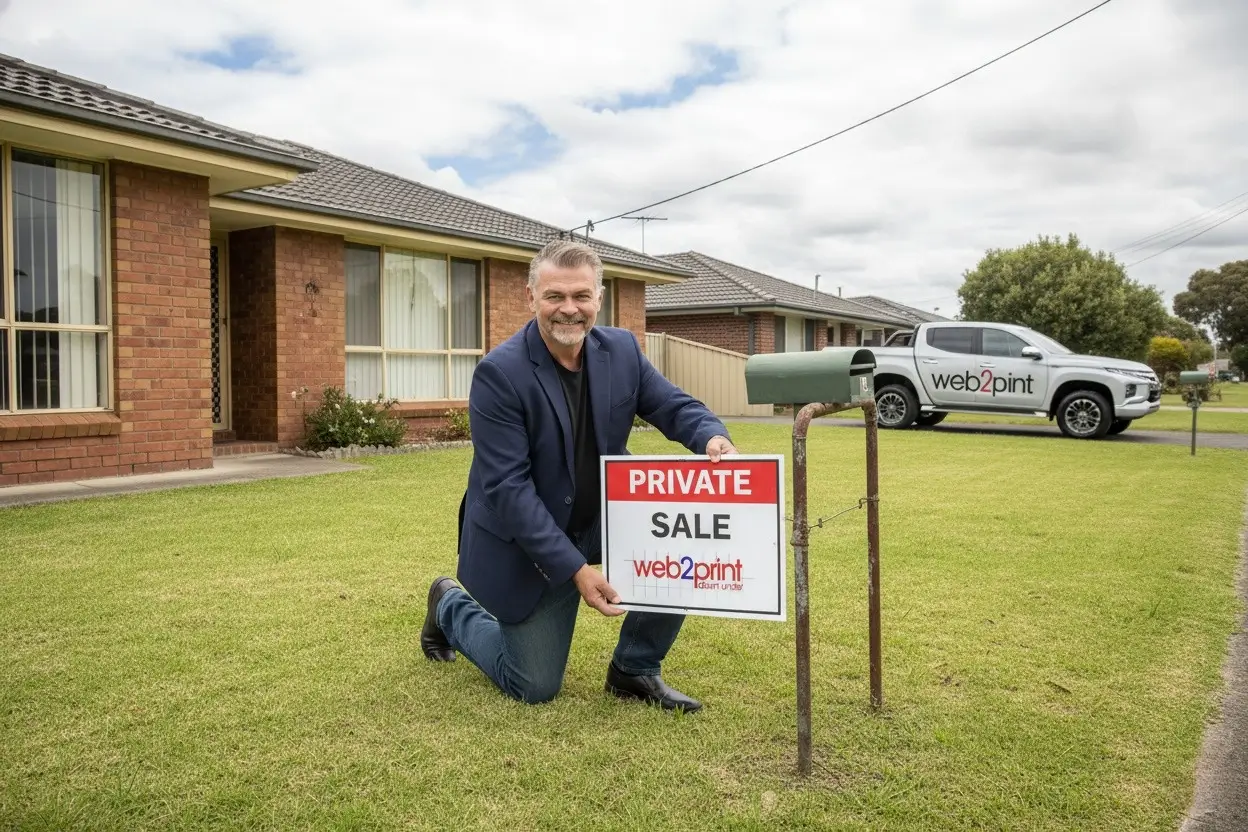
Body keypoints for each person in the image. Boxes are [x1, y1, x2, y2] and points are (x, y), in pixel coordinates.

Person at [420, 238, 737, 712]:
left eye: (581, 296)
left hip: (604, 514)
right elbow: (509, 489)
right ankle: (448, 606)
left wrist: (712, 437)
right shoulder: (498, 374)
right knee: (533, 684)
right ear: (531, 299)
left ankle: (635, 669)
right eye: (555, 296)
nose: (569, 309)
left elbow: (672, 405)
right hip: (529, 537)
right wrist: (576, 570)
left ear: (598, 299)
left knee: (680, 537)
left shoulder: (623, 350)